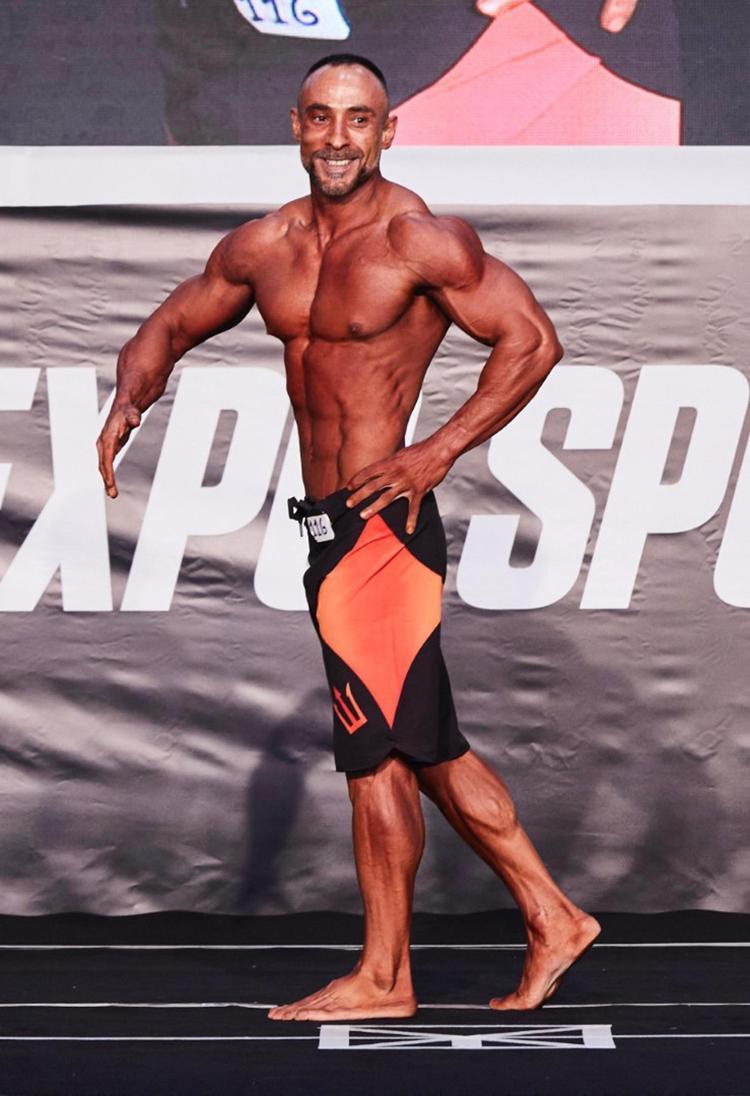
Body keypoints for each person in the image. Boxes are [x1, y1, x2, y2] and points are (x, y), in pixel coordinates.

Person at [96, 53, 601, 1021]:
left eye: (358, 119)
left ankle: (384, 977)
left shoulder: (418, 239)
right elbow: (169, 325)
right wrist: (131, 397)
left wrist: (438, 451)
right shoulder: (266, 245)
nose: (338, 137)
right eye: (322, 117)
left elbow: (533, 340)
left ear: (388, 131)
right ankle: (554, 916)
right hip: (328, 532)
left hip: (382, 532)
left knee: (377, 760)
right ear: (296, 125)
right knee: (431, 748)